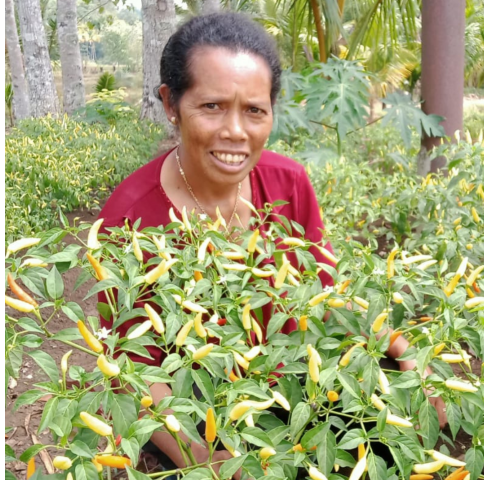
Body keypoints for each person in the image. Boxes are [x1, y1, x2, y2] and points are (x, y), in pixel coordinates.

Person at [96, 12, 446, 478]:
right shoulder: (129, 217)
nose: (236, 132)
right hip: (201, 410)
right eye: (212, 106)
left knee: (396, 439)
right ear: (170, 103)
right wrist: (210, 462)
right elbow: (134, 371)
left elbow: (326, 292)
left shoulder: (287, 182)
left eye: (255, 110)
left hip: (296, 384)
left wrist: (409, 357)